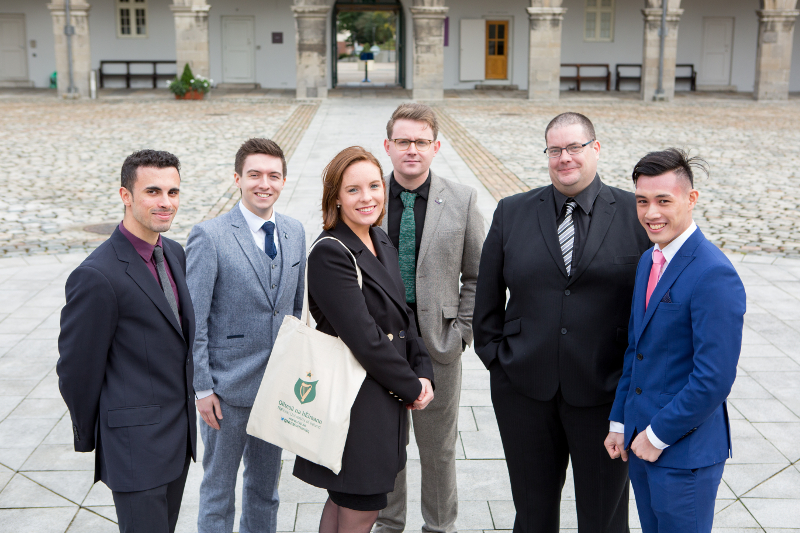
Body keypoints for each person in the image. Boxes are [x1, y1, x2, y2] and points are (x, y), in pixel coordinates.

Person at [472, 112, 652, 533]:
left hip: (604, 393)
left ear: (596, 149)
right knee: (532, 514)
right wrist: (497, 359)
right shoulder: (511, 211)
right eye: (555, 149)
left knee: (604, 518)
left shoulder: (634, 213)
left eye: (574, 147)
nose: (564, 158)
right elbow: (487, 297)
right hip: (523, 390)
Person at [293, 146, 435, 533]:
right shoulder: (330, 253)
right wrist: (410, 386)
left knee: (345, 500)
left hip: (380, 401)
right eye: (353, 189)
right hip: (355, 406)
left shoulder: (379, 239)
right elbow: (366, 338)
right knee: (360, 505)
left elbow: (405, 316)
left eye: (374, 185)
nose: (367, 197)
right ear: (335, 197)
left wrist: (424, 371)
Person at [604, 149, 745, 533]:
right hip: (641, 443)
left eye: (664, 201)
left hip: (685, 455)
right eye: (643, 201)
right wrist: (621, 422)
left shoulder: (714, 274)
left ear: (691, 199)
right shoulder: (649, 260)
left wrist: (657, 435)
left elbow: (713, 379)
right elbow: (638, 348)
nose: (651, 213)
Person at [57, 150, 196, 533]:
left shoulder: (174, 252)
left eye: (173, 192)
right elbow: (76, 371)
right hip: (135, 449)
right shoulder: (96, 276)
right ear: (125, 196)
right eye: (153, 191)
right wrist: (98, 437)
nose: (166, 202)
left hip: (177, 439)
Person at [186, 138, 306, 533]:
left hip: (275, 391)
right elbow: (195, 320)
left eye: (273, 175)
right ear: (237, 178)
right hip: (225, 392)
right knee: (218, 492)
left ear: (284, 181)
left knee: (265, 490)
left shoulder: (294, 232)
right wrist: (202, 388)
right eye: (254, 174)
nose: (263, 183)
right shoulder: (210, 235)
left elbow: (293, 311)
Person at [375, 103, 485, 533]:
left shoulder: (462, 199)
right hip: (378, 342)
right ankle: (388, 523)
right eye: (403, 141)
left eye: (421, 142)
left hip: (438, 342)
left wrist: (461, 332)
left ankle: (439, 526)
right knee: (387, 442)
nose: (412, 150)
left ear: (436, 146)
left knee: (437, 448)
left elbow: (478, 273)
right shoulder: (368, 195)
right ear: (388, 146)